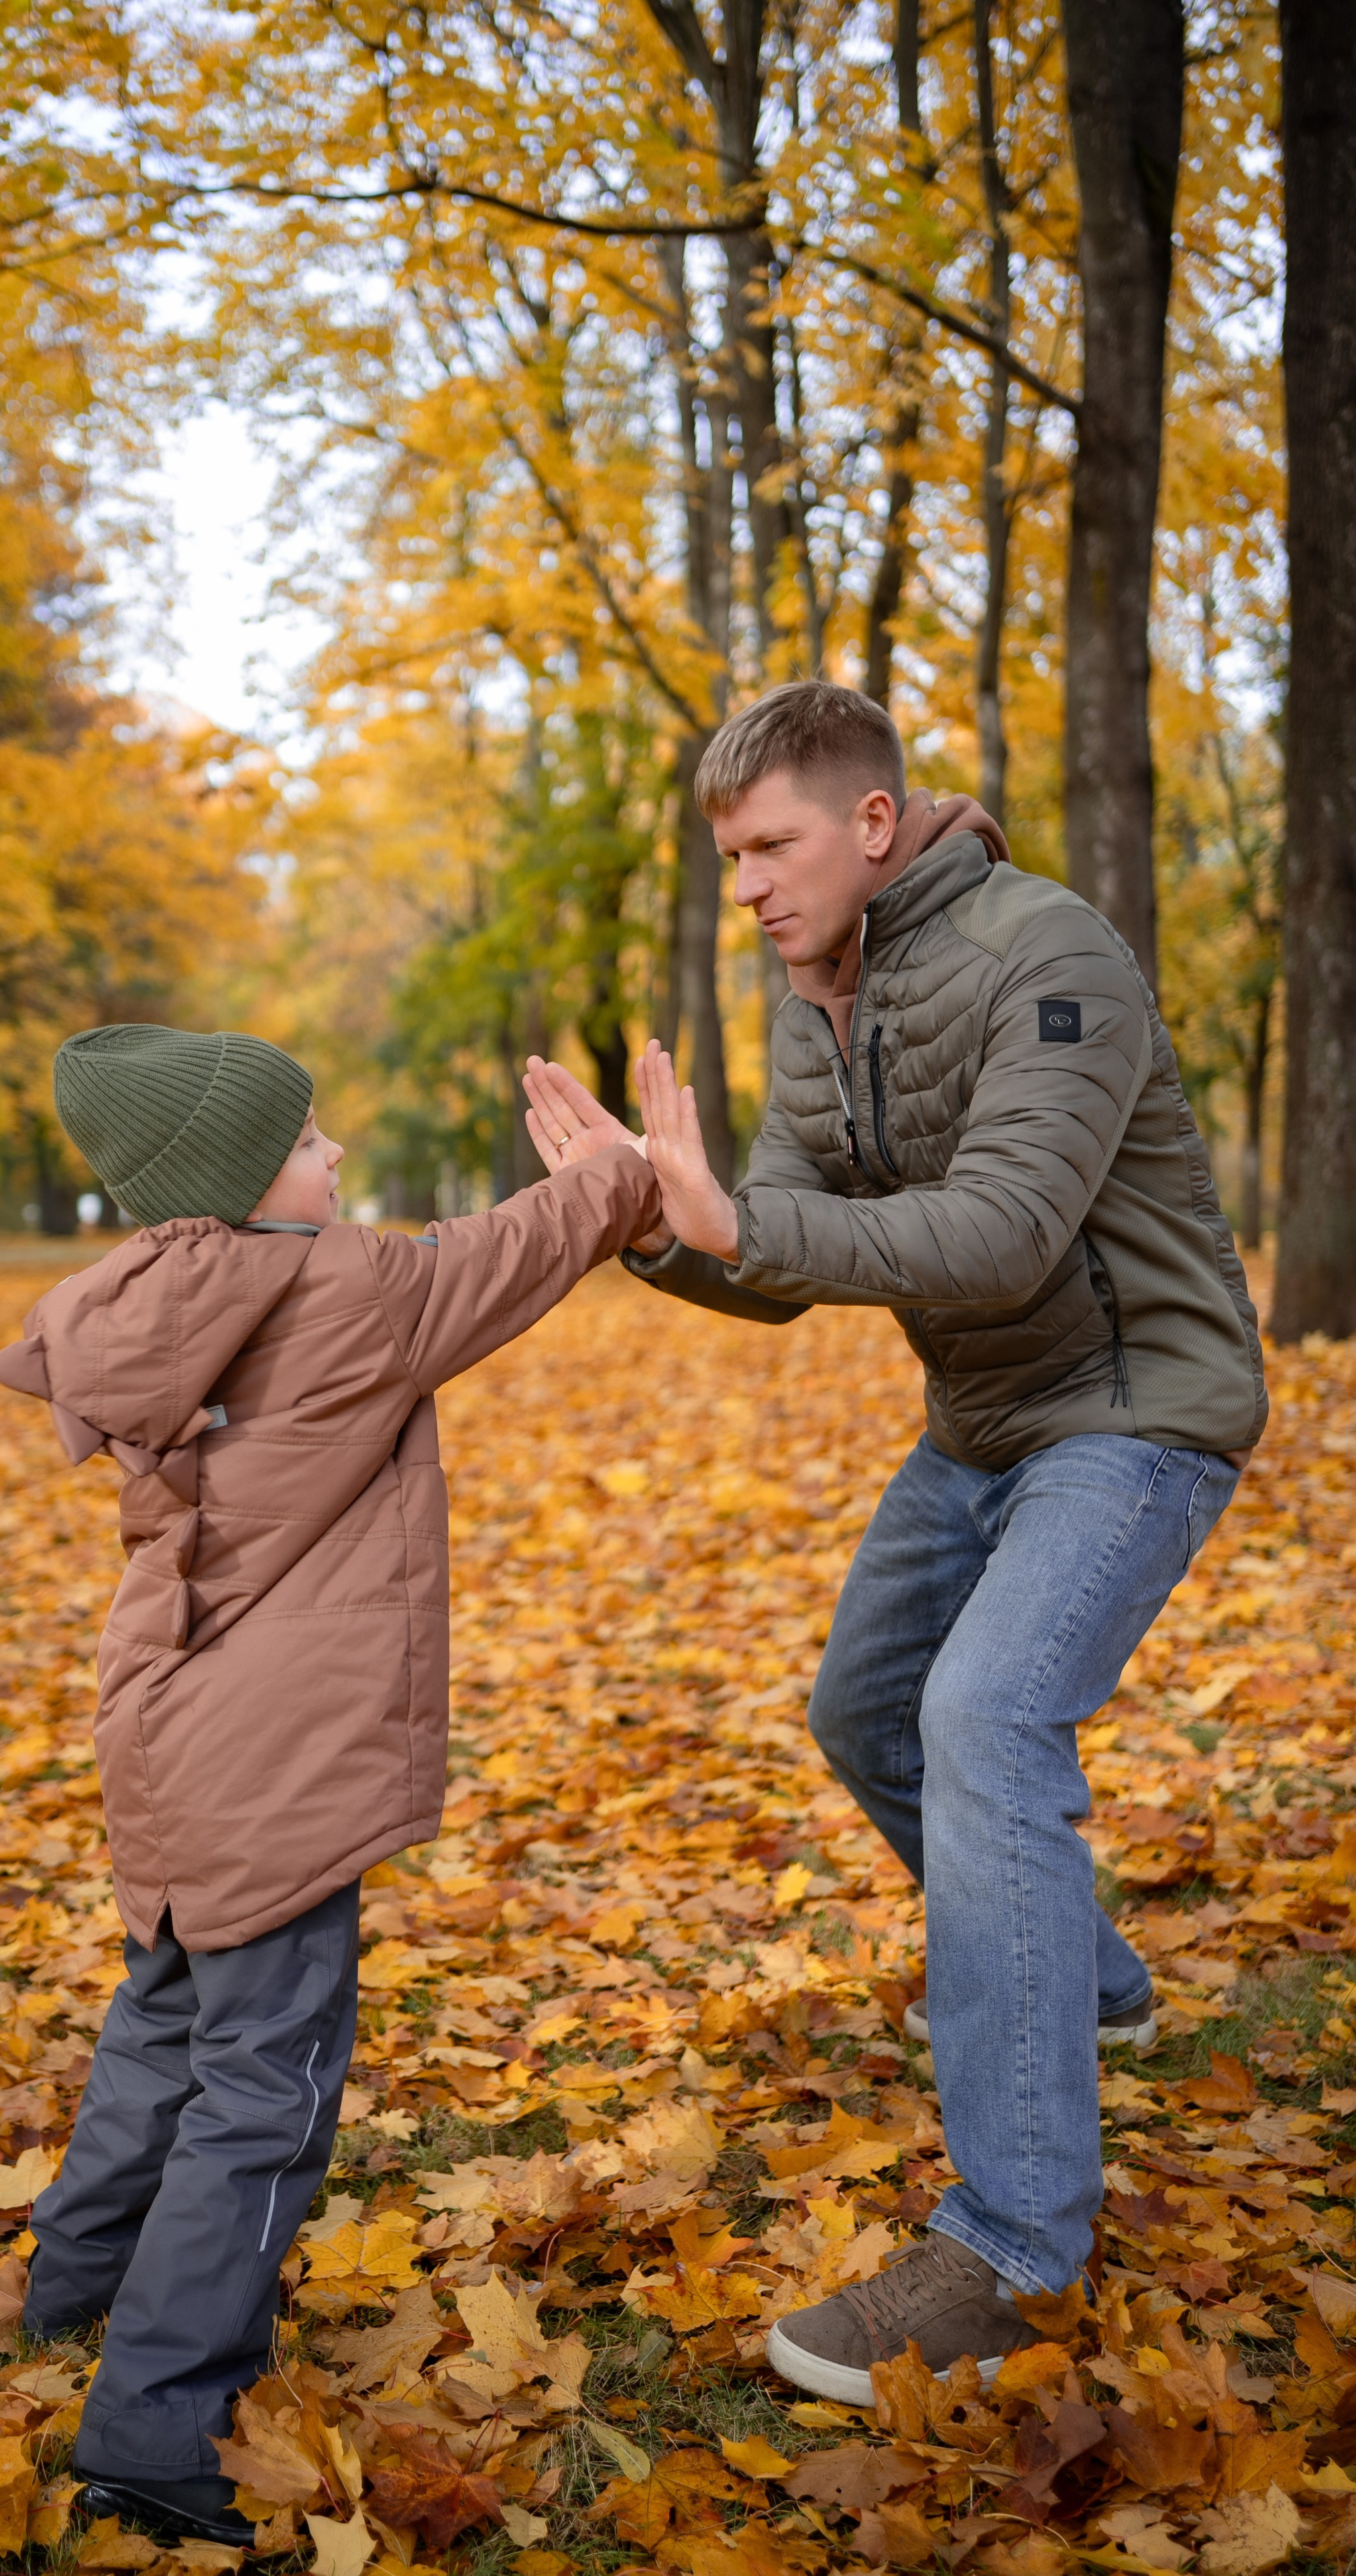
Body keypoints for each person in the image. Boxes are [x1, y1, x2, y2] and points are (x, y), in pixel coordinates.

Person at [522, 678, 1265, 2408]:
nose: (751, 889)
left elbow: (1006, 1235)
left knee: (983, 1722)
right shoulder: (817, 993)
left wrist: (731, 1211)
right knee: (865, 1711)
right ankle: (1082, 1991)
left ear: (868, 823)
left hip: (1135, 1409)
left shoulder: (1047, 950)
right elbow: (778, 1257)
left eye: (770, 847)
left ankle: (1013, 2248)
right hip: (982, 1430)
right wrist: (651, 1220)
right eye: (728, 860)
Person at [0, 1022, 663, 2540]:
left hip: (167, 1744)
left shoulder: (142, 1304)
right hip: (274, 1774)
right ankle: (154, 2432)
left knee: (162, 2023)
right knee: (264, 2091)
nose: (336, 1155)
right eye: (306, 1142)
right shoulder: (341, 1294)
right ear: (234, 1187)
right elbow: (518, 1250)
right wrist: (623, 1170)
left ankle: (74, 2292)